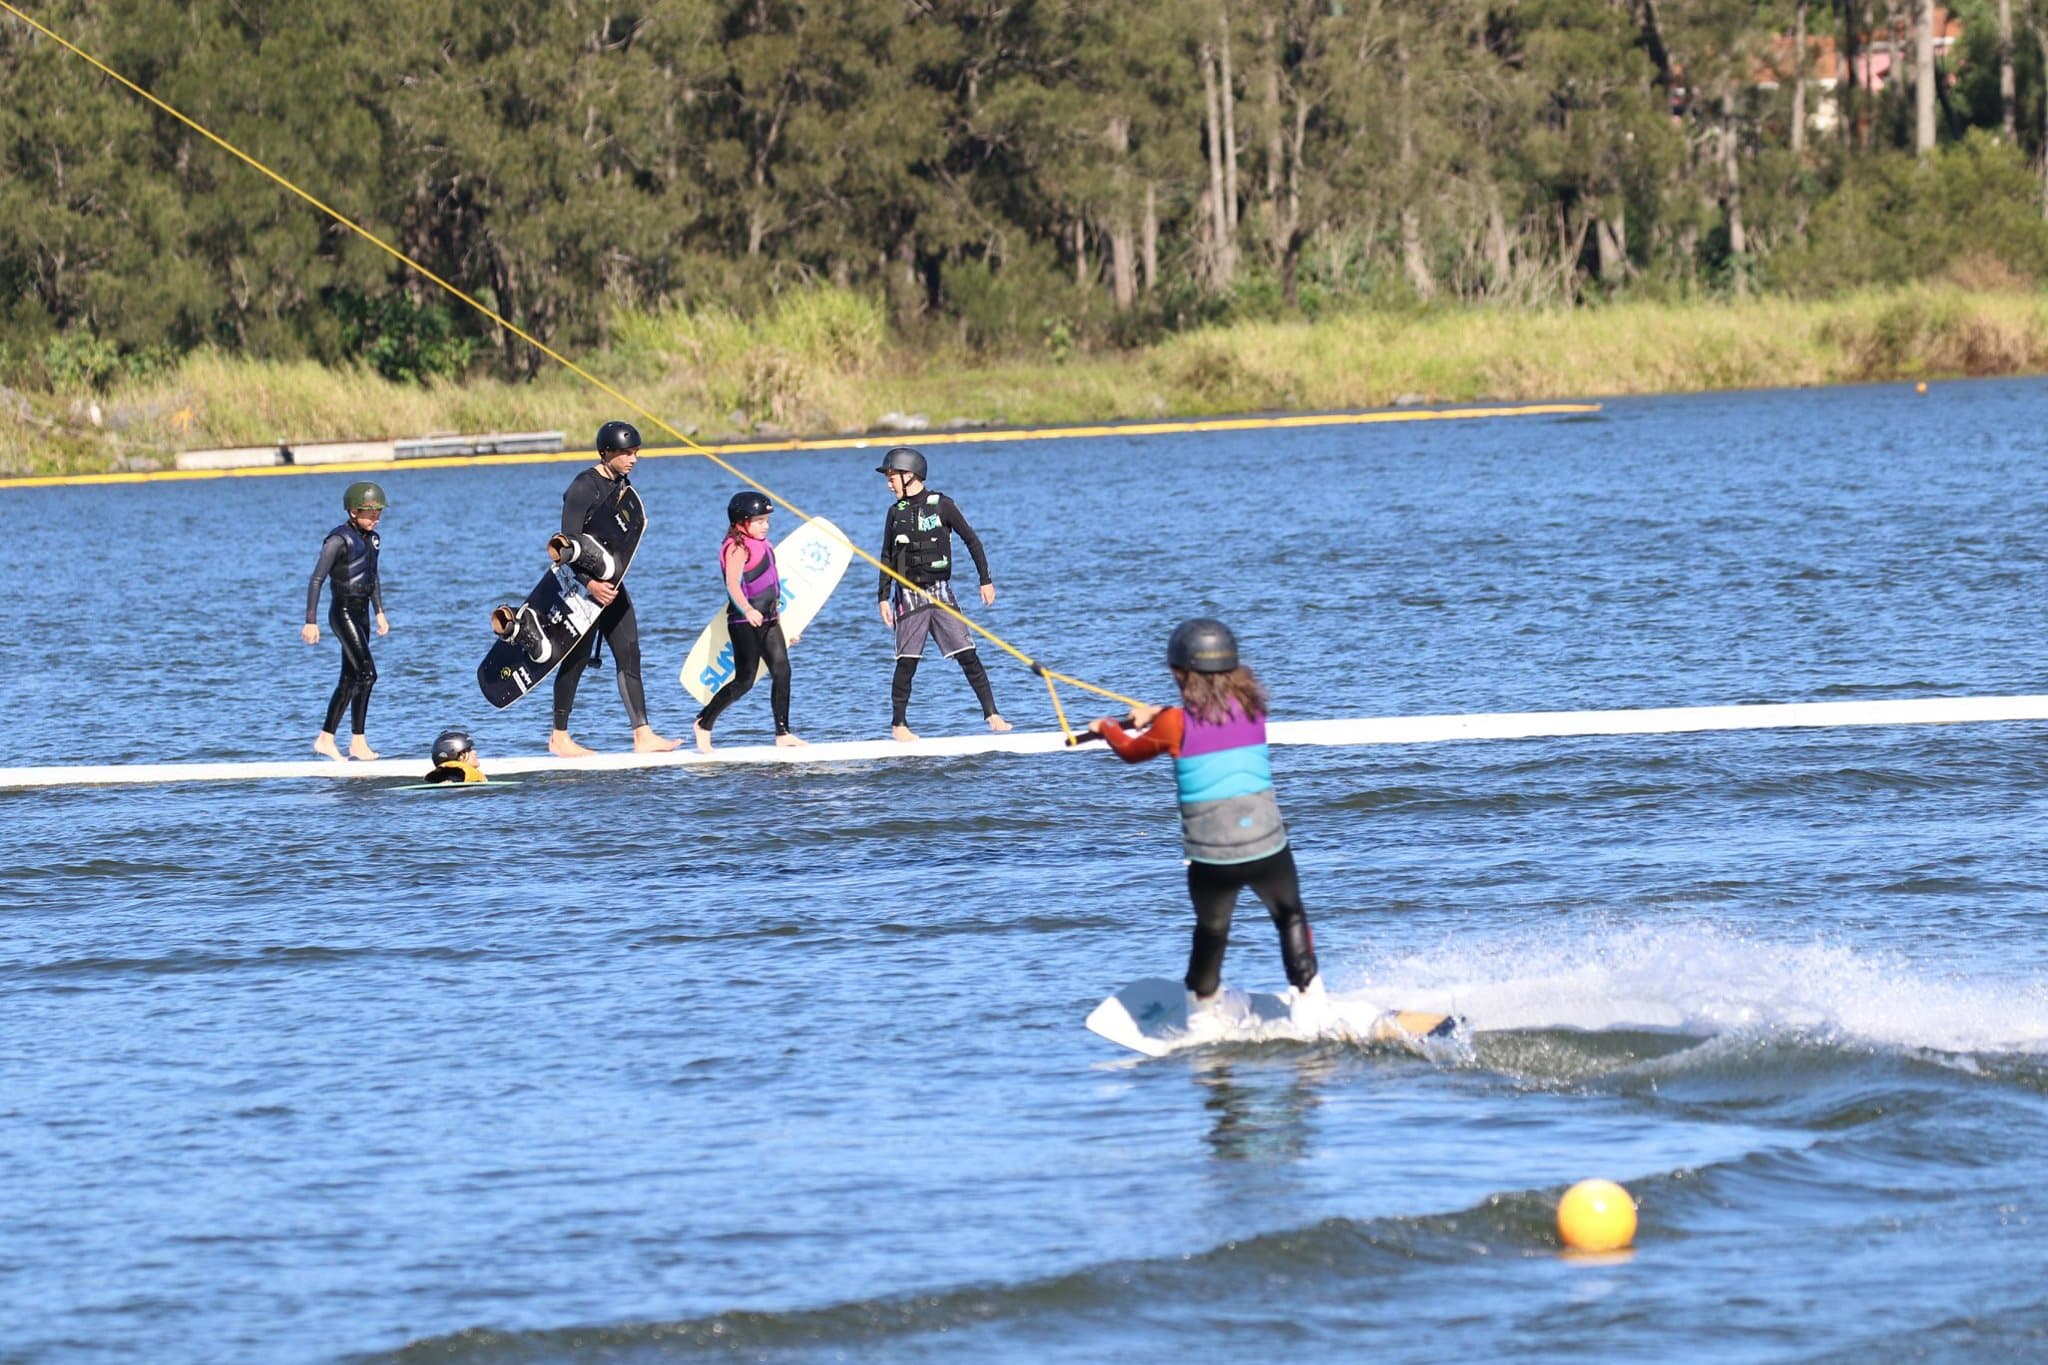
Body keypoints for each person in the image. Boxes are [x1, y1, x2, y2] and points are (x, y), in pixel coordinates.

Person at [1088, 618, 1327, 1024]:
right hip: (1268, 847)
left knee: (1212, 930)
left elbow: (1130, 751)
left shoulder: (1172, 724)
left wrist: (1108, 728)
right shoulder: (1253, 708)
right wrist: (1157, 714)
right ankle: (1309, 999)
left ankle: (1202, 1011)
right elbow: (1199, 719)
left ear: (1180, 673)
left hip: (1212, 858)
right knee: (1290, 915)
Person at [550, 420, 678, 757]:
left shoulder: (623, 485)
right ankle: (559, 738)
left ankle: (643, 734)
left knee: (629, 653)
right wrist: (590, 584)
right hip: (580, 590)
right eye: (625, 453)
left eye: (635, 452)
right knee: (575, 659)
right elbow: (564, 547)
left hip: (612, 586)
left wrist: (606, 582)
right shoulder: (582, 487)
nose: (633, 459)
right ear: (606, 452)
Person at [873, 446, 1010, 741]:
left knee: (968, 655)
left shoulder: (942, 505)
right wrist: (882, 596)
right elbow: (886, 555)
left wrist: (985, 580)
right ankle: (899, 725)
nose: (888, 483)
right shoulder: (894, 513)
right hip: (907, 595)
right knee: (906, 661)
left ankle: (993, 715)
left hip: (940, 593)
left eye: (892, 477)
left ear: (910, 475)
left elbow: (972, 541)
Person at [694, 492, 806, 752]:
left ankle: (783, 732)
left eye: (766, 520)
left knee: (782, 671)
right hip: (744, 621)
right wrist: (746, 610)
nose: (765, 525)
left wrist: (785, 625)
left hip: (769, 618)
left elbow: (771, 587)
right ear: (740, 523)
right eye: (759, 521)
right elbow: (732, 584)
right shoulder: (737, 547)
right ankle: (703, 723)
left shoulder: (763, 543)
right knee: (744, 680)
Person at [303, 480, 389, 761]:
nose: (375, 517)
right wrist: (310, 621)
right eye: (369, 512)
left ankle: (326, 739)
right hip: (342, 613)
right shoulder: (337, 540)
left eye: (378, 512)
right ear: (353, 511)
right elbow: (316, 579)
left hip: (362, 612)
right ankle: (357, 741)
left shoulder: (373, 539)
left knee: (350, 677)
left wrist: (379, 612)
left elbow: (372, 576)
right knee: (368, 674)